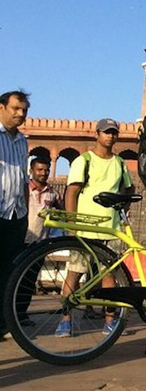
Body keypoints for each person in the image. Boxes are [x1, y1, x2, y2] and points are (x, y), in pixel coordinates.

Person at [55, 118, 135, 338]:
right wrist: (73, 224)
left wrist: (122, 208)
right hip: (86, 228)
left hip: (111, 228)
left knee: (109, 277)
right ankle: (65, 319)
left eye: (114, 133)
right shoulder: (85, 160)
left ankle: (109, 322)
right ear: (97, 134)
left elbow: (129, 188)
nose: (110, 136)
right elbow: (71, 192)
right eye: (106, 132)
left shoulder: (119, 163)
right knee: (74, 274)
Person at [0, 90, 31, 339]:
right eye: (16, 108)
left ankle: (2, 324)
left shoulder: (22, 141)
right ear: (2, 108)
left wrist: (26, 212)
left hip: (15, 214)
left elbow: (22, 180)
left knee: (8, 272)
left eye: (24, 110)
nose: (20, 114)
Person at [27, 157, 62, 242]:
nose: (43, 173)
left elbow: (60, 213)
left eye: (47, 170)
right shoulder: (24, 189)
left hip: (41, 242)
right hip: (21, 239)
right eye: (40, 169)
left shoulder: (53, 193)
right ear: (31, 171)